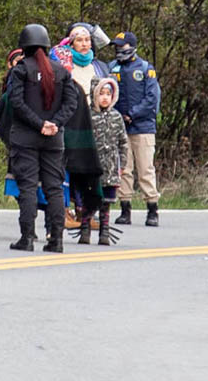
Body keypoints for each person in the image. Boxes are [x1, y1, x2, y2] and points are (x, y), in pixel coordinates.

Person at [8, 24, 77, 253]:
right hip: (53, 140)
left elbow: (16, 103)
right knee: (54, 188)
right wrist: (54, 124)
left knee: (27, 187)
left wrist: (39, 124)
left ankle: (27, 238)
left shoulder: (20, 70)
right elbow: (71, 104)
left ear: (24, 45)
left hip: (25, 138)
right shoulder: (61, 71)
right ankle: (56, 240)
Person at [51, 23, 109, 232]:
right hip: (71, 120)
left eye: (86, 40)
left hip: (93, 121)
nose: (84, 44)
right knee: (67, 166)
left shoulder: (99, 66)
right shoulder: (63, 64)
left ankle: (85, 212)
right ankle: (64, 211)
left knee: (87, 168)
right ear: (71, 43)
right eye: (79, 41)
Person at [109, 31, 161, 226]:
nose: (118, 49)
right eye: (116, 46)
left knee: (145, 169)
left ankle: (152, 209)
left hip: (143, 127)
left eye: (121, 46)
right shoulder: (111, 68)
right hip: (120, 127)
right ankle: (125, 209)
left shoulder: (146, 68)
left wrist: (133, 113)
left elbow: (152, 98)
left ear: (131, 46)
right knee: (124, 169)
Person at [83, 77, 127, 245]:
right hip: (91, 168)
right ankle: (85, 228)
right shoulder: (87, 115)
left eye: (108, 94)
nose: (105, 98)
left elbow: (123, 142)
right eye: (101, 94)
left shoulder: (116, 117)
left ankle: (104, 231)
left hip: (110, 168)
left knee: (106, 203)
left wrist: (121, 165)